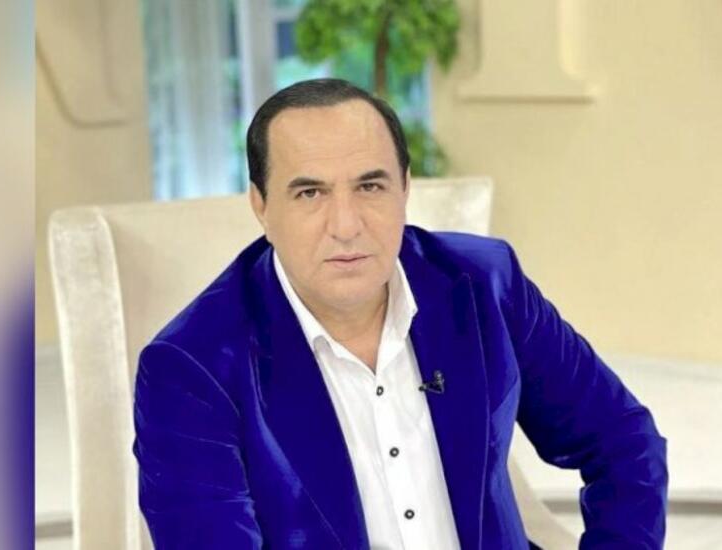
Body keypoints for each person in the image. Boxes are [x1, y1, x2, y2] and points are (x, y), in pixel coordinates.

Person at [132, 78, 668, 549]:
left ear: (405, 188)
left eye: (370, 186)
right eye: (310, 193)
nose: (346, 226)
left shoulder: (484, 285)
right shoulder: (191, 367)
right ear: (261, 206)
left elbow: (624, 441)